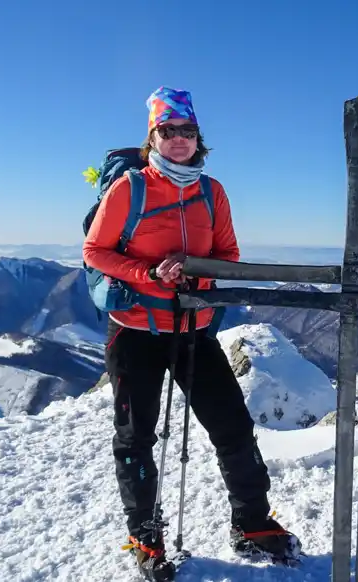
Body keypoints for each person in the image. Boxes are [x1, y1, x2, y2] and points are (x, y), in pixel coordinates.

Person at [83, 87, 301, 578]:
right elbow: (96, 251)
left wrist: (195, 271)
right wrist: (149, 275)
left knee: (232, 427)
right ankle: (144, 535)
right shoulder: (131, 188)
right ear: (153, 137)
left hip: (194, 329)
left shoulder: (212, 192)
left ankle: (252, 522)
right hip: (135, 329)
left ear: (199, 137)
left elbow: (228, 254)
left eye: (187, 130)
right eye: (168, 130)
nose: (179, 139)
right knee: (137, 436)